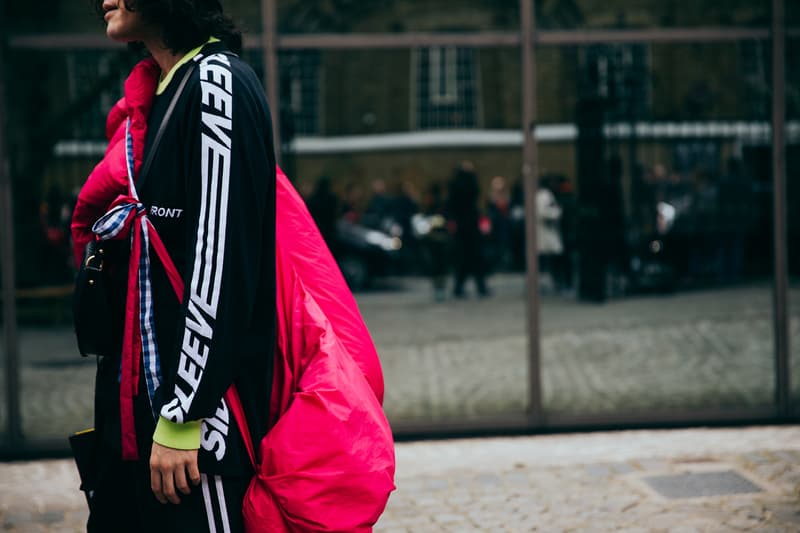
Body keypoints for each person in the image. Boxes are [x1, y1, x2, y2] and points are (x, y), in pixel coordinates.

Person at [72, 1, 276, 530]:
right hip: (133, 414)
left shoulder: (215, 81)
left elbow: (220, 261)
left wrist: (184, 413)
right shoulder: (155, 90)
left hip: (192, 425)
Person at [447, 161, 489, 297]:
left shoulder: (455, 185)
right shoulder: (468, 185)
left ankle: (460, 287)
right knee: (474, 258)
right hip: (469, 225)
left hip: (463, 226)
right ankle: (478, 287)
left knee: (463, 260)